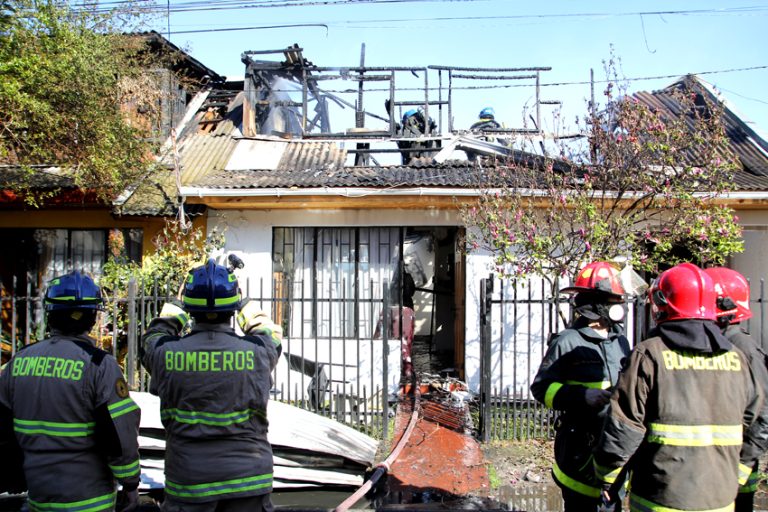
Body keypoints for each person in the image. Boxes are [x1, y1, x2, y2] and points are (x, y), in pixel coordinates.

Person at [593, 263, 768, 512]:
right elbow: (755, 423)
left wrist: (606, 477)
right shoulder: (737, 358)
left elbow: (624, 427)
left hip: (660, 497)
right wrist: (736, 476)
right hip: (720, 500)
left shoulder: (649, 354)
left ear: (662, 304)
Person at [141, 258, 282, 512]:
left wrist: (176, 306)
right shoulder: (258, 351)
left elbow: (151, 339)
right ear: (232, 307)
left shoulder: (165, 353)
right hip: (248, 480)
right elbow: (271, 334)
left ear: (190, 306)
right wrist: (244, 304)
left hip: (189, 481)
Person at [0, 270, 141, 512]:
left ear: (51, 313)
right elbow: (120, 436)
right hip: (89, 501)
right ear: (91, 318)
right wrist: (131, 484)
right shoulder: (98, 365)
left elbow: (3, 429)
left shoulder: (18, 362)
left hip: (39, 496)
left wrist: (13, 474)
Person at [530, 261, 630, 511]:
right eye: (614, 300)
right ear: (597, 304)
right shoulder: (568, 342)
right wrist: (582, 395)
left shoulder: (621, 342)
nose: (620, 307)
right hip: (580, 450)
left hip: (613, 448)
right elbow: (541, 389)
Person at [706, 266, 768, 512]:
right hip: (715, 469)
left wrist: (740, 468)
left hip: (734, 474)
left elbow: (763, 414)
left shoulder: (741, 347)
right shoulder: (719, 343)